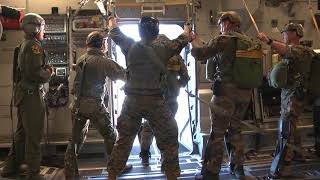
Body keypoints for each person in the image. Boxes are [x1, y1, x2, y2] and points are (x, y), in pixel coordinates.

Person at [106, 16, 192, 180]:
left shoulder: (130, 44)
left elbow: (115, 32)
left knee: (123, 140)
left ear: (139, 30)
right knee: (169, 137)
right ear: (157, 31)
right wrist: (187, 29)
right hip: (155, 102)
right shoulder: (165, 48)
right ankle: (171, 176)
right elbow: (183, 39)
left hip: (132, 102)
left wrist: (113, 21)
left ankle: (111, 175)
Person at [191, 11, 261, 179]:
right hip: (245, 95)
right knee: (236, 130)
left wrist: (192, 40)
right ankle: (238, 169)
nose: (220, 27)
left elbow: (200, 53)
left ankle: (211, 171)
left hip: (225, 95)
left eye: (222, 23)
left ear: (229, 23)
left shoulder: (223, 40)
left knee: (218, 132)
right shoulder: (250, 42)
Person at [63, 31, 132, 180]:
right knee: (110, 135)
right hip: (93, 105)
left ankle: (70, 174)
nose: (106, 45)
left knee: (75, 141)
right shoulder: (103, 61)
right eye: (105, 42)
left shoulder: (82, 58)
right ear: (101, 44)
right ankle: (116, 167)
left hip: (77, 105)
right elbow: (124, 75)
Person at [0, 13, 54, 180]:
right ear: (35, 28)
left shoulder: (25, 44)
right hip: (31, 96)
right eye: (42, 27)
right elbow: (35, 73)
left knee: (22, 134)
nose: (44, 31)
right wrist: (49, 72)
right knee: (34, 136)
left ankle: (10, 167)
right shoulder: (33, 46)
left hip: (24, 94)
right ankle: (33, 173)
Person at [258, 23, 314, 178]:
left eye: (286, 32)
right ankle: (295, 156)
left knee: (286, 130)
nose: (283, 34)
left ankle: (279, 170)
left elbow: (284, 49)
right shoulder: (298, 51)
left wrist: (267, 40)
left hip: (294, 97)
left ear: (295, 33)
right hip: (291, 96)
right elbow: (283, 47)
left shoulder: (299, 50)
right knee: (291, 127)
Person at [138, 52, 190, 166]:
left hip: (152, 98)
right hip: (171, 100)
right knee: (167, 128)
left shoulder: (149, 54)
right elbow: (185, 77)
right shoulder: (176, 58)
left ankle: (145, 155)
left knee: (148, 126)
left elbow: (140, 76)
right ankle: (166, 159)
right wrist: (176, 85)